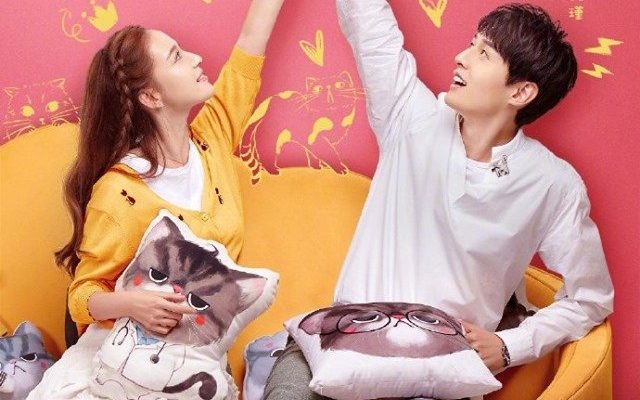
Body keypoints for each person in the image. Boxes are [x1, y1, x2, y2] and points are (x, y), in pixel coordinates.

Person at [263, 1, 614, 399]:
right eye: (471, 44)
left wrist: (509, 346)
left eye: (484, 54)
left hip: (439, 374)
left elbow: (590, 299)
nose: (461, 58)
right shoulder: (410, 117)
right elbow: (369, 27)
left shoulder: (554, 184)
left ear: (520, 91)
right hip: (336, 346)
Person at [27, 1, 285, 398]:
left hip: (190, 363)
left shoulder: (212, 141)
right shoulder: (120, 192)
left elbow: (249, 47)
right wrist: (132, 303)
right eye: (177, 56)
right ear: (150, 95)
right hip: (115, 361)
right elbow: (82, 296)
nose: (197, 58)